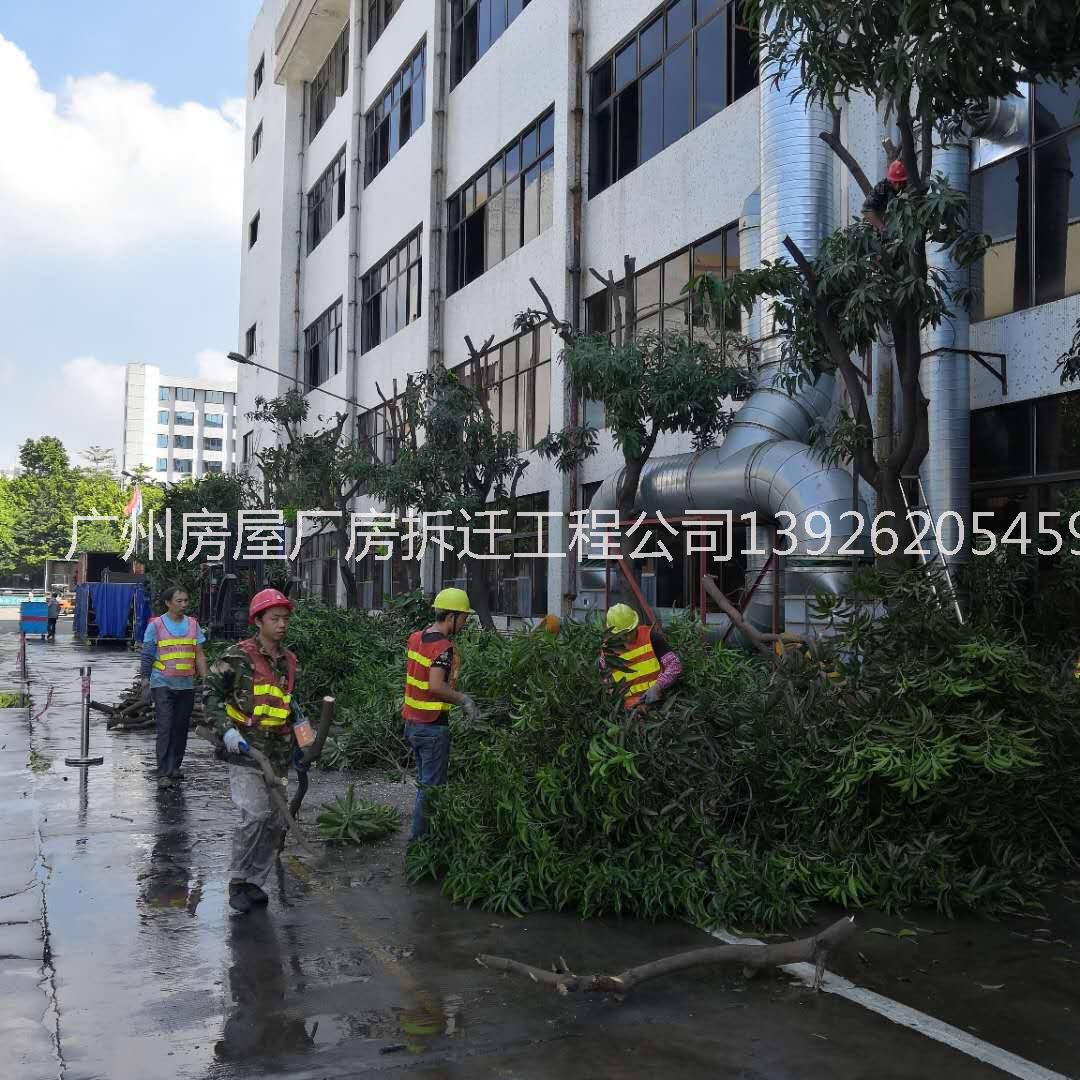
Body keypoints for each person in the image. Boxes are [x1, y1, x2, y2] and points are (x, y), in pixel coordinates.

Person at [205, 588, 309, 915]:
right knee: (255, 814)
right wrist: (227, 731)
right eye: (274, 619)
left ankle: (255, 881)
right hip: (246, 751)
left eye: (285, 619)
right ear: (258, 621)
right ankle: (238, 880)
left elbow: (292, 706)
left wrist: (307, 740)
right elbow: (209, 695)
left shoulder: (290, 661)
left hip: (277, 754)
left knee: (276, 821)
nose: (281, 625)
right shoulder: (237, 657)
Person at [402, 587, 478, 844]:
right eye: (464, 619)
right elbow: (435, 686)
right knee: (431, 790)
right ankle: (420, 845)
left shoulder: (416, 637)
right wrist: (464, 700)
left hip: (412, 724)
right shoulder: (443, 648)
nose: (465, 625)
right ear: (451, 617)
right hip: (432, 728)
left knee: (424, 786)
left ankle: (423, 838)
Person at [138, 585, 207, 789]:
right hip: (162, 684)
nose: (184, 604)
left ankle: (175, 766)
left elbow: (199, 654)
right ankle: (164, 772)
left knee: (180, 728)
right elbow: (148, 653)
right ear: (168, 603)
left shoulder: (193, 625)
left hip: (186, 685)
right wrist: (145, 679)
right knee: (165, 727)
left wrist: (206, 679)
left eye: (186, 600)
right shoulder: (156, 625)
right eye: (179, 601)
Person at [599, 603, 682, 712]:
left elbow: (674, 666)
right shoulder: (607, 652)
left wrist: (658, 687)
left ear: (636, 624)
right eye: (622, 635)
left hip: (656, 708)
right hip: (625, 714)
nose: (627, 637)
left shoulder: (652, 638)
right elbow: (605, 684)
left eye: (630, 632)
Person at [862, 158, 908, 232]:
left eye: (901, 182)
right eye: (895, 182)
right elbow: (866, 210)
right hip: (881, 229)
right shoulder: (881, 188)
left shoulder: (908, 187)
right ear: (890, 180)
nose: (898, 186)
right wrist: (881, 227)